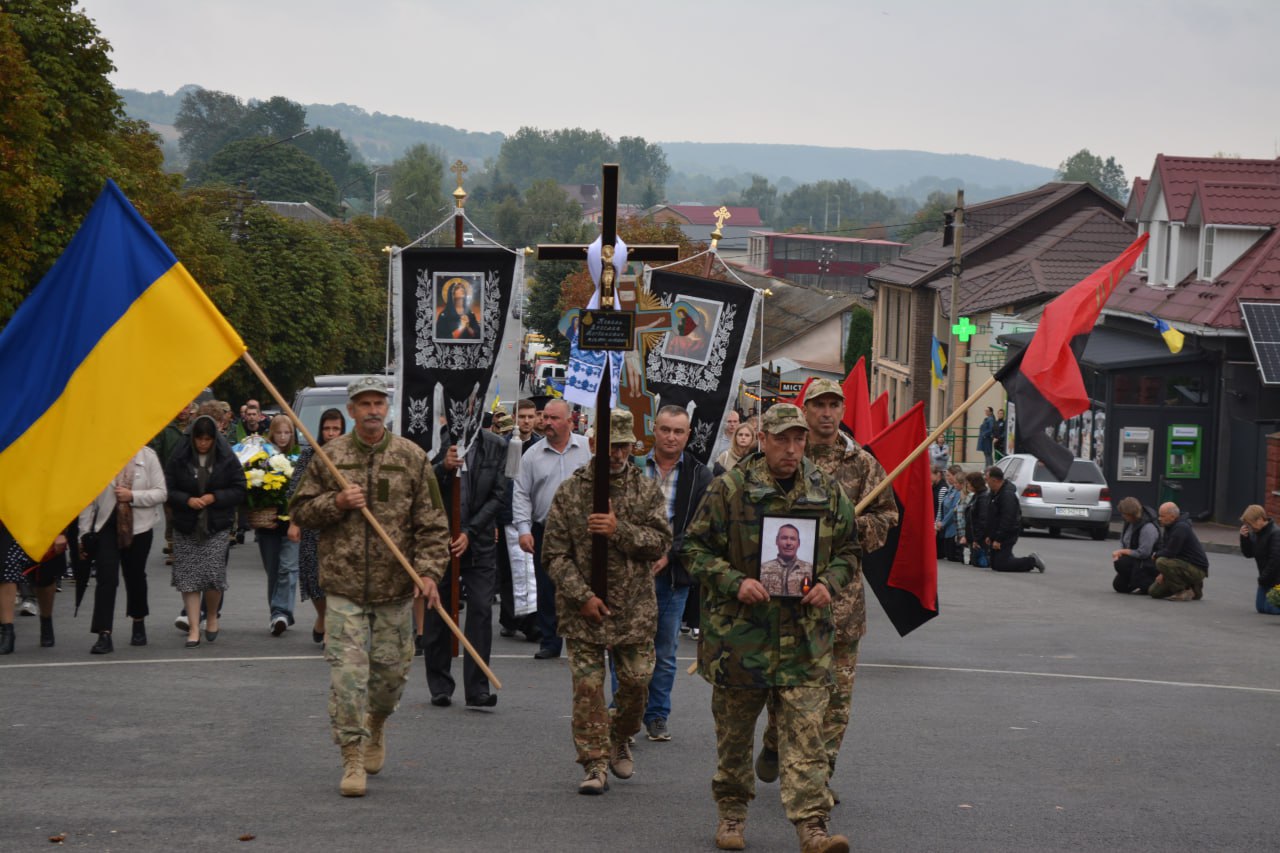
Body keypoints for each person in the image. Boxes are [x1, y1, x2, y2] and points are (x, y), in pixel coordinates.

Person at [683, 402, 857, 853]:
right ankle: (732, 816)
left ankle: (812, 827)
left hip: (804, 641)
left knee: (807, 738)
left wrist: (828, 584)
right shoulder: (730, 489)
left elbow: (849, 550)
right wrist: (734, 581)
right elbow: (693, 549)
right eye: (782, 439)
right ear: (763, 440)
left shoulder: (826, 490)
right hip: (740, 641)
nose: (792, 448)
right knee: (735, 737)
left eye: (799, 439)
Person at [290, 375, 449, 797]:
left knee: (390, 679)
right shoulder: (330, 456)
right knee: (347, 679)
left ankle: (377, 722)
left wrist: (430, 572)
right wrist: (336, 503)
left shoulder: (412, 457)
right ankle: (352, 758)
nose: (373, 410)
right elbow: (301, 510)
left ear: (388, 408)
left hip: (395, 591)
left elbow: (433, 524)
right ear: (352, 409)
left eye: (379, 403)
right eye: (365, 404)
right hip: (343, 589)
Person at [756, 378, 898, 803]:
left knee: (835, 700)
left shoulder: (862, 463)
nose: (827, 413)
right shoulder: (786, 455)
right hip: (786, 598)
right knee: (785, 690)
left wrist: (855, 529)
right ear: (807, 407)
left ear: (842, 408)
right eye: (819, 404)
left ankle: (819, 779)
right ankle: (776, 739)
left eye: (834, 404)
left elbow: (887, 514)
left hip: (841, 601)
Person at [542, 408, 671, 795]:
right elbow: (554, 554)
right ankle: (594, 763)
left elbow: (661, 542)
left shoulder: (645, 490)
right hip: (583, 611)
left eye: (623, 446)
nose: (617, 454)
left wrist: (619, 530)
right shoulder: (571, 491)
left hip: (633, 610)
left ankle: (620, 736)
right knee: (588, 688)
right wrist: (581, 596)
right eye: (609, 446)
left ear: (633, 446)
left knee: (636, 682)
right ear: (594, 444)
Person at [629, 404, 712, 743]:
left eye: (679, 431)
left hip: (674, 575)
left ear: (688, 435)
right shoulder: (633, 467)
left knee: (664, 650)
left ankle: (657, 715)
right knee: (628, 647)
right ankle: (625, 712)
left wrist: (668, 554)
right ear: (654, 429)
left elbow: (700, 524)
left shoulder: (699, 473)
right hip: (631, 573)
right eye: (665, 429)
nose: (671, 436)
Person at [423, 420, 511, 708]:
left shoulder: (497, 445)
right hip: (442, 541)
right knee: (439, 611)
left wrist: (470, 533)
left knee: (482, 611)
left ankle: (477, 688)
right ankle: (440, 684)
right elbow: (422, 487)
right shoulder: (435, 443)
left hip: (480, 542)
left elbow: (499, 495)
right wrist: (443, 468)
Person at [512, 398, 591, 660]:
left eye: (553, 418)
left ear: (569, 421)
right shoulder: (532, 455)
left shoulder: (586, 451)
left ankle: (582, 638)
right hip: (545, 531)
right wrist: (523, 530)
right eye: (544, 417)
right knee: (547, 587)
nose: (546, 423)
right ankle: (550, 640)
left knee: (582, 584)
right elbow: (521, 493)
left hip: (582, 532)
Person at [166, 415, 246, 647]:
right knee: (189, 578)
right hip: (186, 524)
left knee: (212, 575)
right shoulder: (179, 457)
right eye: (199, 439)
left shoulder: (226, 457)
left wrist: (215, 497)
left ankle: (211, 615)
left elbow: (239, 488)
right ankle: (193, 628)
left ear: (214, 439)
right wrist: (187, 500)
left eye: (208, 439)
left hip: (216, 524)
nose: (203, 444)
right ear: (192, 438)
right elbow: (168, 487)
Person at [80, 444, 167, 654]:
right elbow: (87, 499)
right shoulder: (99, 458)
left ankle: (138, 621)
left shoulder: (148, 456)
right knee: (106, 576)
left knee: (135, 575)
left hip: (139, 527)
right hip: (106, 526)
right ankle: (104, 633)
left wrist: (133, 496)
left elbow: (161, 493)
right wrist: (83, 534)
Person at [288, 408, 345, 644]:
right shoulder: (309, 455)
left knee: (337, 579)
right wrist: (294, 523)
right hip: (312, 525)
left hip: (341, 526)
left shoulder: (349, 455)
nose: (331, 433)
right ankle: (322, 615)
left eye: (336, 429)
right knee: (314, 578)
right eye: (327, 428)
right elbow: (295, 491)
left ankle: (333, 627)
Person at [258, 415, 302, 636]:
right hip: (268, 522)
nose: (283, 437)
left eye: (287, 433)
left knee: (288, 568)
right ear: (272, 434)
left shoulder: (299, 457)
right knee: (273, 569)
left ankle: (281, 613)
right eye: (279, 433)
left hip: (292, 522)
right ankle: (276, 612)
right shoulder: (261, 458)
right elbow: (252, 483)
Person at [0, 522, 68, 654]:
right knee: (6, 571)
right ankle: (7, 631)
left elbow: (61, 501)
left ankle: (46, 621)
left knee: (45, 578)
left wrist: (61, 532)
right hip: (10, 526)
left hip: (43, 524)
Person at [982, 467, 1045, 573]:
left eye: (987, 479)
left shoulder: (1007, 495)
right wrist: (989, 535)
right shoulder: (994, 493)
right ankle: (1008, 557)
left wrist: (999, 539)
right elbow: (991, 516)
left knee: (1002, 565)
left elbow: (1008, 518)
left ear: (994, 480)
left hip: (1008, 533)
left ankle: (1032, 561)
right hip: (996, 532)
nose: (986, 482)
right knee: (994, 564)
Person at [1149, 502, 1209, 601]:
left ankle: (1182, 591)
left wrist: (1155, 555)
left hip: (1196, 568)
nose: (1159, 518)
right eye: (1159, 515)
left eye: (1162, 516)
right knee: (1153, 592)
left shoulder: (1181, 528)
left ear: (1172, 517)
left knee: (1160, 561)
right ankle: (1194, 589)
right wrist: (1164, 573)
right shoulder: (1169, 527)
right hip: (1180, 565)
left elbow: (1170, 552)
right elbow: (1165, 548)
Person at [1111, 498, 1159, 594]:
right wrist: (1121, 552)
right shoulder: (1129, 523)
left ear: (1131, 514)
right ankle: (1134, 581)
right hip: (1134, 560)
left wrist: (1122, 552)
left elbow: (1144, 553)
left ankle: (1146, 582)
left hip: (1147, 563)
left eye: (1124, 514)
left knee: (1121, 563)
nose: (1123, 516)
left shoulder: (1148, 527)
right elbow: (1123, 541)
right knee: (1119, 586)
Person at [1240, 504, 1280, 614]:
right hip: (1265, 580)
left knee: (1271, 609)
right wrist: (1245, 538)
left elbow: (1275, 561)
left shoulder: (1275, 534)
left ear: (1260, 519)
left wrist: (1262, 579)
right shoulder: (1256, 533)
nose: (1250, 527)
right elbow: (1249, 554)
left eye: (1250, 524)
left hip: (1277, 581)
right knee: (1261, 608)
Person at [961, 471, 990, 567]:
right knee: (974, 562)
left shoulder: (983, 498)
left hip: (979, 538)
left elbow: (982, 520)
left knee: (981, 563)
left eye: (969, 483)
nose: (967, 485)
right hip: (973, 538)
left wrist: (977, 539)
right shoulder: (975, 496)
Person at [935, 466, 964, 562]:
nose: (947, 478)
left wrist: (943, 523)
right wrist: (938, 522)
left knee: (952, 556)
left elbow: (953, 509)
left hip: (953, 527)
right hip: (946, 528)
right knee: (948, 555)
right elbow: (942, 506)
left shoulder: (958, 492)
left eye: (949, 475)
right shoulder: (950, 490)